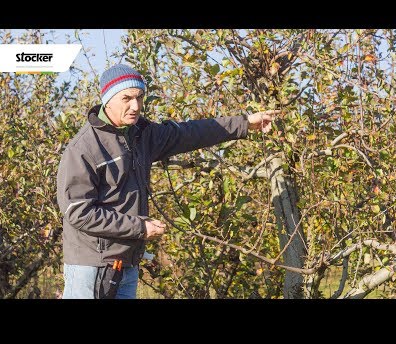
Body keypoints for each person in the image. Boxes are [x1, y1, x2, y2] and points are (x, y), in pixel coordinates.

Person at [56, 63, 278, 299]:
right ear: (107, 100)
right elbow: (78, 211)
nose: (135, 106)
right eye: (126, 98)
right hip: (91, 267)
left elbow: (190, 133)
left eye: (140, 97)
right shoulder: (84, 148)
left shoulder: (141, 135)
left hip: (125, 264)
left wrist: (244, 123)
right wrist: (139, 227)